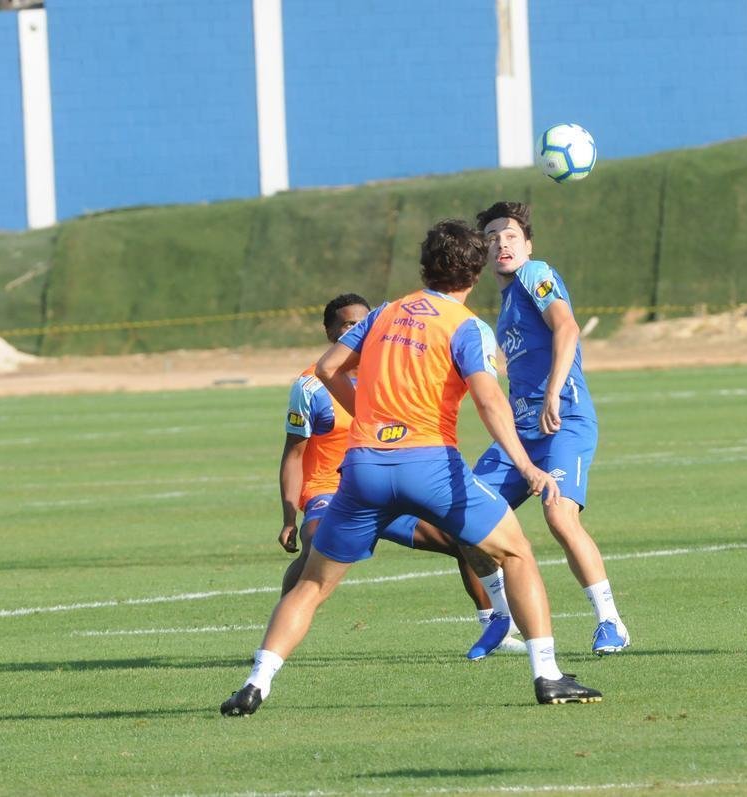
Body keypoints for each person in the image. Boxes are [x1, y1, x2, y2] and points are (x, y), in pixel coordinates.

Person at [220, 220, 601, 715]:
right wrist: (527, 464)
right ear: (475, 273)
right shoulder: (467, 326)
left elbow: (326, 368)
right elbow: (489, 401)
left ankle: (256, 683)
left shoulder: (383, 312)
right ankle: (548, 675)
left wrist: (367, 417)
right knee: (516, 553)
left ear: (424, 265)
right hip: (430, 465)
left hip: (363, 469)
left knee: (313, 583)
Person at [277, 294, 520, 651]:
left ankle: (494, 625)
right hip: (331, 488)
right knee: (316, 545)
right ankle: (279, 627)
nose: (357, 328)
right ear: (331, 333)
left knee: (463, 538)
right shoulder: (310, 387)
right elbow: (294, 454)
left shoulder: (391, 370)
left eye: (363, 321)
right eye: (347, 324)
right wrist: (287, 518)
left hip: (392, 478)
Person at [473, 200, 629, 655]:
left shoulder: (535, 273)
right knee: (465, 515)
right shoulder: (503, 306)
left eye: (511, 236)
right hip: (521, 434)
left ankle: (611, 622)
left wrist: (555, 392)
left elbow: (567, 328)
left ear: (527, 245)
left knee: (559, 514)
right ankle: (502, 619)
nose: (501, 244)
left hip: (564, 421)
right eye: (493, 238)